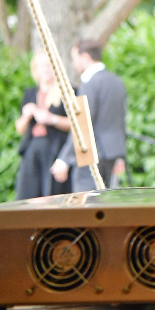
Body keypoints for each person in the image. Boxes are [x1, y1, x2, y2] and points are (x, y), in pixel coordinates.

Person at [51, 40, 127, 191]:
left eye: (75, 58)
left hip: (92, 155)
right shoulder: (117, 81)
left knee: (87, 204)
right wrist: (120, 156)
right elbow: (119, 120)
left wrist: (64, 159)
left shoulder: (89, 83)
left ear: (85, 56)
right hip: (112, 153)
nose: (74, 64)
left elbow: (83, 124)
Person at [15, 51, 72, 199]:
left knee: (52, 192)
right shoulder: (30, 93)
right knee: (27, 192)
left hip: (54, 148)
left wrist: (52, 119)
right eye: (41, 66)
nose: (45, 69)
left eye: (48, 65)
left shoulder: (65, 92)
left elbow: (75, 125)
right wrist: (26, 116)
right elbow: (20, 128)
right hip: (32, 147)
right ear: (35, 70)